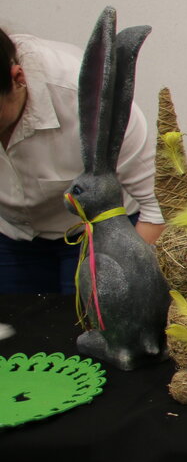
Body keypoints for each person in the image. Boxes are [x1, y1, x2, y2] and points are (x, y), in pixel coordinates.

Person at [0, 27, 163, 293]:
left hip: (98, 232)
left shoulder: (85, 94)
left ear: (18, 78)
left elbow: (159, 206)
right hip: (9, 233)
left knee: (93, 317)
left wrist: (126, 283)